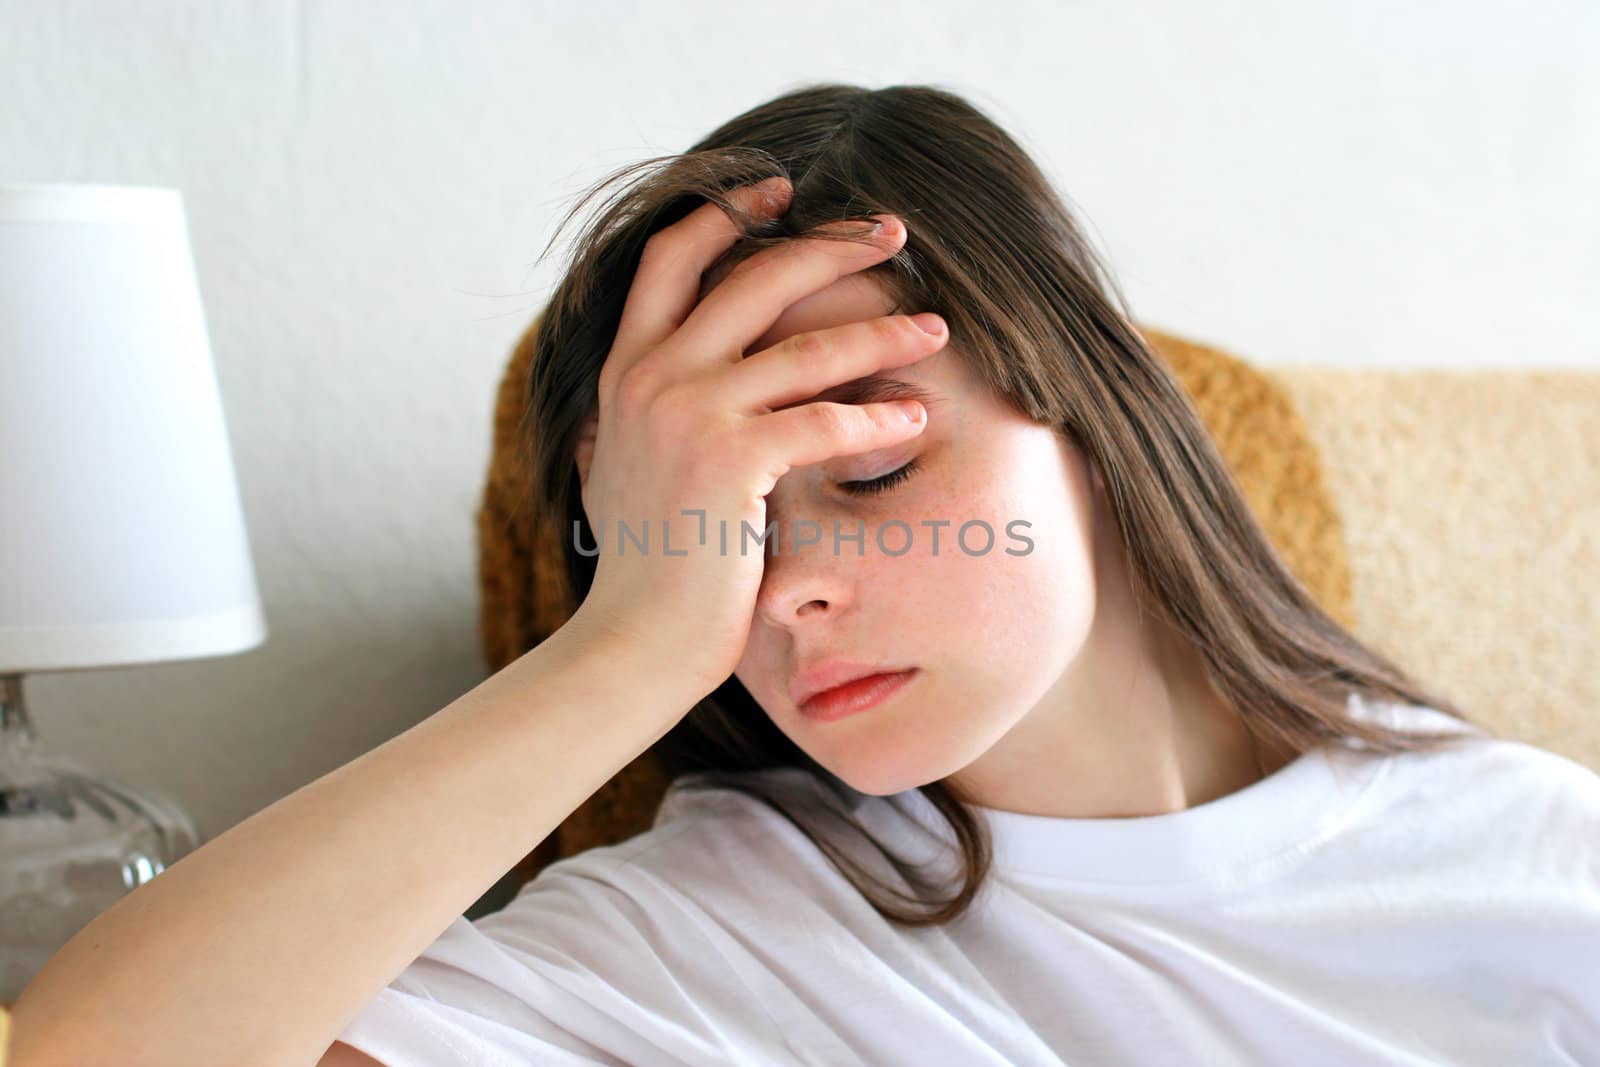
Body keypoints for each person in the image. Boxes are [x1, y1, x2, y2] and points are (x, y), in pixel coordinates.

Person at [10, 83, 1599, 1067]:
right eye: (711, 536)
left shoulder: (1535, 863)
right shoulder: (704, 932)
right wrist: (630, 648)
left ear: (1089, 424)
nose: (783, 597)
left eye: (869, 473)